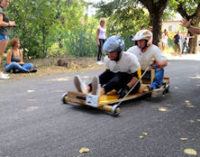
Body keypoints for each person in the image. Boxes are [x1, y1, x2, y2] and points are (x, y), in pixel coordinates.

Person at [74, 36, 141, 99]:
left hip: (131, 85)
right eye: (108, 52)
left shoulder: (130, 58)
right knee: (107, 73)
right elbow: (107, 76)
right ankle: (86, 88)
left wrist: (127, 87)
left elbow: (136, 77)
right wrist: (102, 82)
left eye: (112, 52)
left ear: (119, 51)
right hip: (116, 82)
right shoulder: (107, 59)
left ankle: (100, 92)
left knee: (120, 75)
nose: (109, 55)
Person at [0, 0, 15, 79]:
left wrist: (10, 24)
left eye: (8, 2)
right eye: (6, 1)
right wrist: (9, 24)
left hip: (3, 34)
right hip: (2, 35)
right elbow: (0, 22)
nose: (7, 3)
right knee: (0, 54)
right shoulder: (0, 10)